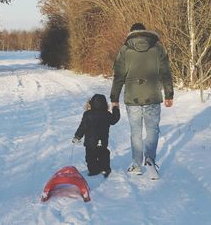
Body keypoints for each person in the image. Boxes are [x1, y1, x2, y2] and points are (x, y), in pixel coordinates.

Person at [110, 23, 173, 180]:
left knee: (136, 132)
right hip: (152, 97)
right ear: (145, 32)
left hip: (133, 98)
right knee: (152, 130)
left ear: (131, 33)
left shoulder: (125, 50)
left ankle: (137, 165)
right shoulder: (158, 48)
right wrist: (169, 94)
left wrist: (114, 99)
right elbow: (166, 72)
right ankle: (150, 161)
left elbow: (118, 76)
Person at [72, 94, 120, 177]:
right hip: (102, 141)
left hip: (90, 142)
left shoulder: (87, 114)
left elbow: (82, 126)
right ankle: (105, 169)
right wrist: (115, 108)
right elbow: (115, 119)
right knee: (103, 154)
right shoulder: (107, 114)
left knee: (90, 157)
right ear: (105, 104)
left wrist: (77, 136)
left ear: (91, 104)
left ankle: (93, 170)